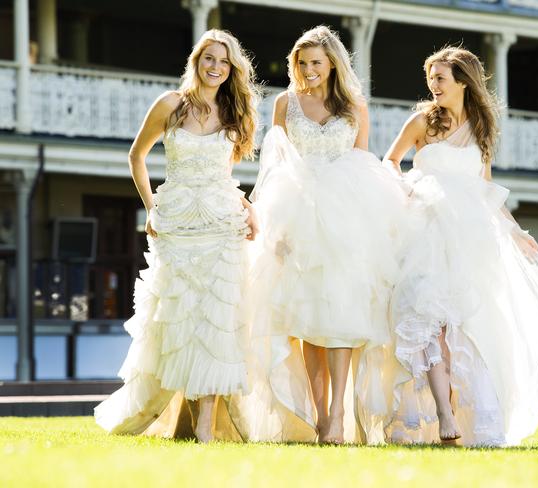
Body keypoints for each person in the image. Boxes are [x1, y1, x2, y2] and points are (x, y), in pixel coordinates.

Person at [383, 46, 538, 447]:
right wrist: (409, 191)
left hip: (470, 242)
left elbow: (487, 191)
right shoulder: (422, 121)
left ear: (462, 81)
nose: (433, 85)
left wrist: (516, 231)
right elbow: (390, 162)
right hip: (426, 232)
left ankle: (466, 410)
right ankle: (442, 411)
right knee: (429, 324)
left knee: (465, 329)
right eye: (430, 78)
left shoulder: (481, 128)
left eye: (440, 78)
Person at [94, 29, 259, 443]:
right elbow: (137, 155)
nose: (216, 67)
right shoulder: (170, 104)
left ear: (231, 68)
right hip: (178, 223)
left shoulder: (233, 110)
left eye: (224, 61)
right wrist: (150, 206)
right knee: (180, 320)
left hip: (222, 223)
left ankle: (206, 424)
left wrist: (248, 206)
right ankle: (182, 417)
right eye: (209, 59)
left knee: (217, 319)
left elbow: (224, 175)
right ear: (196, 61)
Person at [248, 26, 405, 444]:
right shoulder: (284, 103)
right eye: (302, 62)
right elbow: (274, 164)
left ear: (332, 63)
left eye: (316, 62)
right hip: (296, 213)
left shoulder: (354, 104)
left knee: (341, 317)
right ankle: (319, 419)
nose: (309, 70)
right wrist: (274, 225)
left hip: (345, 215)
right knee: (305, 323)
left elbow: (363, 160)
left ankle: (338, 416)